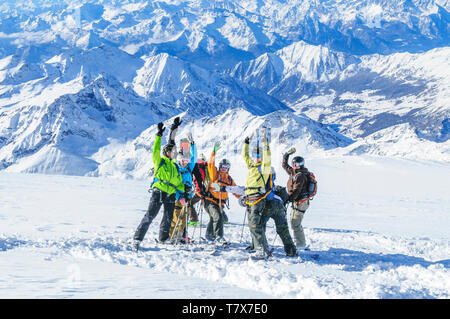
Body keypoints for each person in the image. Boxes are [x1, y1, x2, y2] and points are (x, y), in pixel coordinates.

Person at [132, 117, 184, 251]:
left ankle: (163, 238)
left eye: (173, 151)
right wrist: (159, 135)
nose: (172, 153)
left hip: (171, 194)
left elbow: (178, 184)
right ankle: (137, 238)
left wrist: (184, 192)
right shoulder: (159, 161)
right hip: (159, 192)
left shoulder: (176, 167)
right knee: (150, 215)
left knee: (168, 217)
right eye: (169, 151)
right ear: (165, 152)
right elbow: (155, 150)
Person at [244, 167, 297, 257]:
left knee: (259, 226)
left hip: (267, 207)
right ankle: (291, 250)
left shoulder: (261, 185)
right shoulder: (274, 187)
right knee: (283, 230)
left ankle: (259, 247)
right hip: (279, 208)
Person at [242, 127, 275, 260]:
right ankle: (262, 248)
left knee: (255, 224)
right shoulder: (251, 166)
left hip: (257, 198)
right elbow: (244, 155)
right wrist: (247, 141)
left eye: (259, 156)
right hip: (249, 198)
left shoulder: (265, 167)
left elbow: (267, 154)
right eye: (255, 156)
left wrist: (264, 139)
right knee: (252, 224)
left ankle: (261, 251)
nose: (257, 158)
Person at [204, 141, 239, 243]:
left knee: (214, 218)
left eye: (226, 167)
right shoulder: (215, 175)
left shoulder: (229, 180)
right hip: (210, 202)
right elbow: (210, 164)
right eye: (222, 167)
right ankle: (219, 237)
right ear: (219, 167)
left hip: (221, 203)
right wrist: (213, 152)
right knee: (218, 217)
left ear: (228, 169)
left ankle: (209, 235)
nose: (223, 169)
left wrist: (242, 198)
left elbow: (235, 190)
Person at [169, 133, 197, 243]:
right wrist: (178, 196)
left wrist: (193, 144)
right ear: (179, 160)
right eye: (183, 161)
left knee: (184, 218)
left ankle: (180, 236)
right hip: (178, 196)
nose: (185, 162)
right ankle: (171, 236)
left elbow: (194, 157)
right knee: (176, 217)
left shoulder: (189, 167)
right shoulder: (176, 168)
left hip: (188, 195)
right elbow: (173, 184)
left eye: (186, 161)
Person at [282, 148, 311, 251]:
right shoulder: (294, 172)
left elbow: (297, 190)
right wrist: (286, 155)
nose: (295, 166)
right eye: (294, 163)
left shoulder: (301, 175)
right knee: (294, 223)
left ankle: (301, 245)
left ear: (302, 164)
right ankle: (299, 242)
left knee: (295, 223)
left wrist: (288, 198)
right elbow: (285, 166)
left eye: (298, 164)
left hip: (301, 202)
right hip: (297, 201)